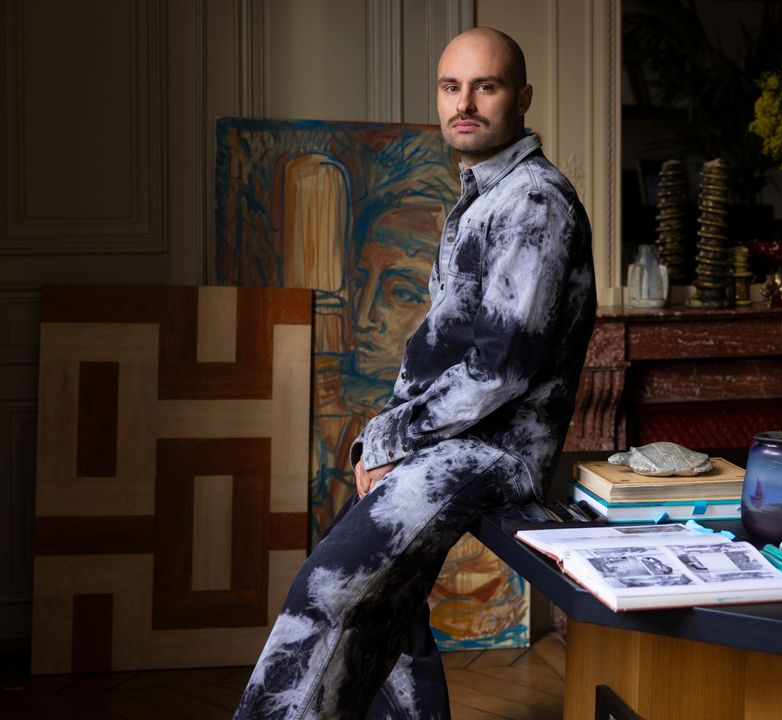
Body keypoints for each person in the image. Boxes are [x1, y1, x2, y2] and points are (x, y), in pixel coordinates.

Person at [235, 26, 596, 720]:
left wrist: (392, 435)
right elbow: (443, 352)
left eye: (484, 86)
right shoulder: (482, 197)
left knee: (330, 589)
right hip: (453, 442)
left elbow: (500, 369)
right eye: (450, 86)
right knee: (390, 613)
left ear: (520, 97)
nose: (464, 103)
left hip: (496, 450)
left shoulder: (532, 202)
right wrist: (389, 436)